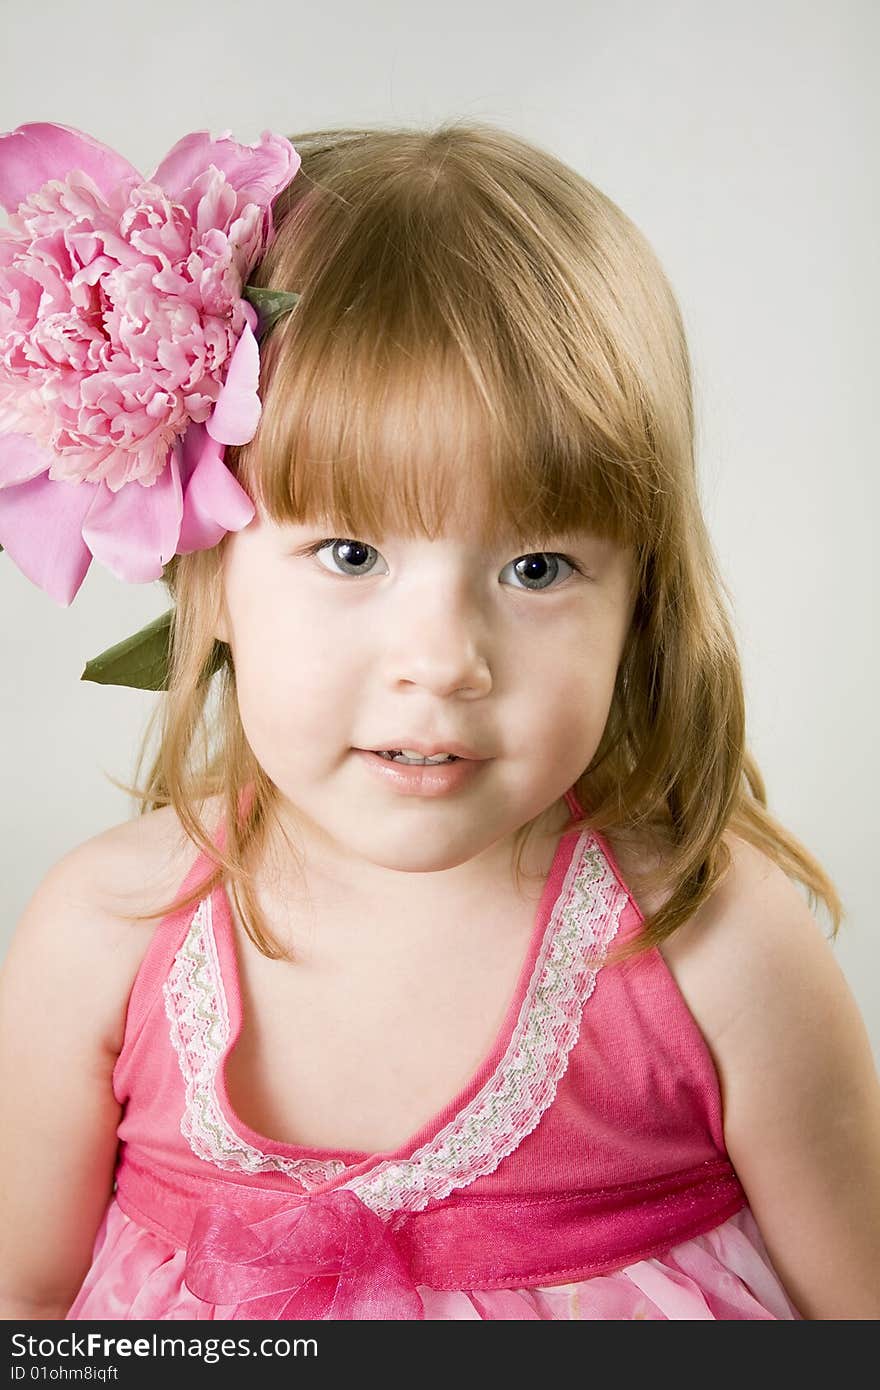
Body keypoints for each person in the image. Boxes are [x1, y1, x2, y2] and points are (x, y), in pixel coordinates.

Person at [0, 118, 878, 1324]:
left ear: (641, 598)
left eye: (537, 569)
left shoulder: (716, 951)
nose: (444, 662)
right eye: (350, 552)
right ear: (210, 577)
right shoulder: (100, 936)